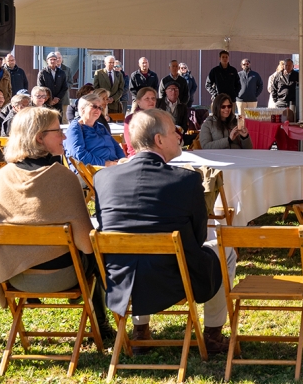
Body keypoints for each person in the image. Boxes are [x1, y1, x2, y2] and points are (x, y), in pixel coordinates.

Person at [94, 108, 235, 355]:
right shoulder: (186, 180)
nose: (180, 136)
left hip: (121, 280)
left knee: (136, 248)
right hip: (175, 279)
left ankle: (140, 330)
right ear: (158, 140)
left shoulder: (104, 178)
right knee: (227, 250)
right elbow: (199, 237)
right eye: (174, 131)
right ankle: (212, 334)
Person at [0, 107, 115, 342]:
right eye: (58, 131)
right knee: (98, 251)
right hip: (63, 276)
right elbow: (86, 244)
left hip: (15, 275)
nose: (64, 137)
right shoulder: (63, 177)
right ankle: (101, 325)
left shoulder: (0, 177)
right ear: (39, 138)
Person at [64, 93, 125, 168]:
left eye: (100, 108)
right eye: (94, 106)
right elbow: (78, 154)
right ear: (83, 109)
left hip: (111, 168)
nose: (98, 110)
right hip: (90, 171)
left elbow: (116, 146)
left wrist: (122, 161)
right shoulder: (75, 128)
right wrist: (106, 163)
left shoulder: (100, 127)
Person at [124, 87, 158, 156]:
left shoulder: (160, 117)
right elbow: (132, 147)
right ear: (138, 102)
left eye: (153, 98)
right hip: (138, 157)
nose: (151, 101)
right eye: (147, 99)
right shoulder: (130, 119)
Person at [38, 51, 68, 116]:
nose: (53, 61)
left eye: (54, 59)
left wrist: (58, 98)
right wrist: (50, 99)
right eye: (51, 59)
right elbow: (41, 87)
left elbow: (64, 87)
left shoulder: (61, 73)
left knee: (58, 121)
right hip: (46, 102)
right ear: (47, 61)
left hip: (58, 102)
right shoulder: (42, 73)